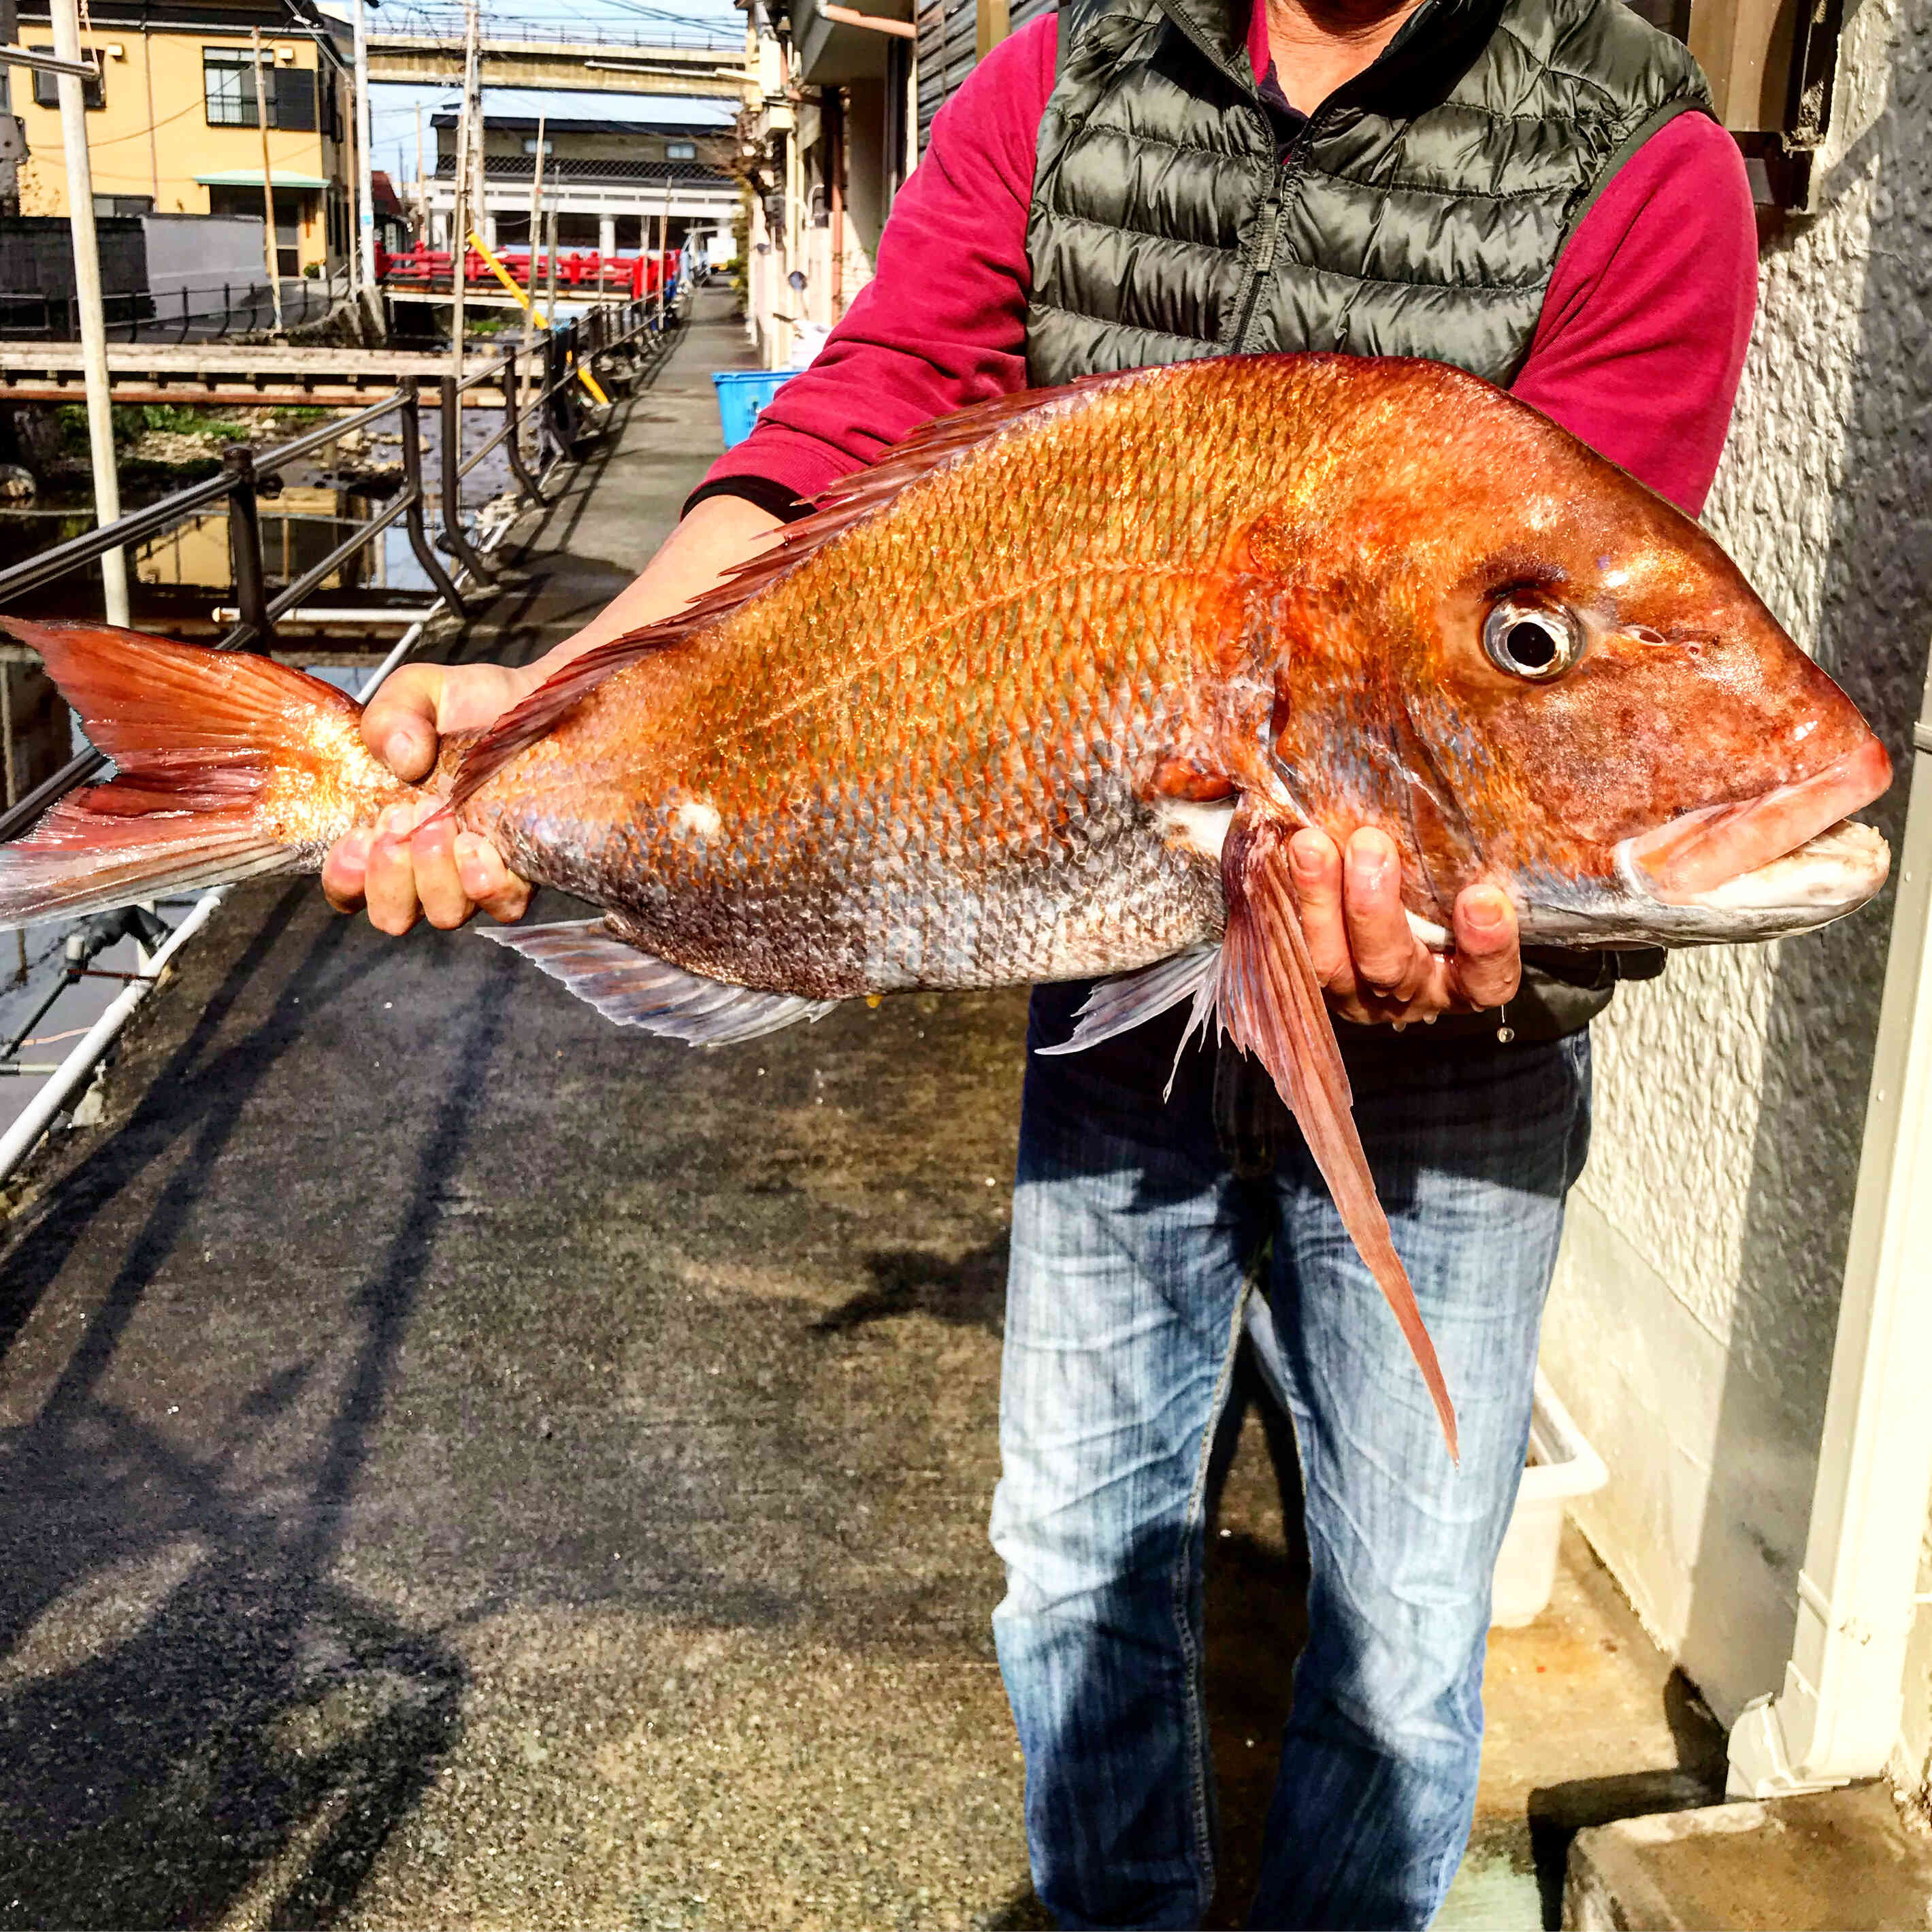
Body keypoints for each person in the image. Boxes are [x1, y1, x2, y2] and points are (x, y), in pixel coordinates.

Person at [323, 0, 1756, 1917]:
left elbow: (1587, 635)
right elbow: (859, 416)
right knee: (1073, 1567)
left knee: (1412, 1629)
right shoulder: (1065, 73)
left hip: (1455, 1067)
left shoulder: (1641, 156)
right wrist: (565, 706)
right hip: (1117, 999)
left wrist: (1473, 908)